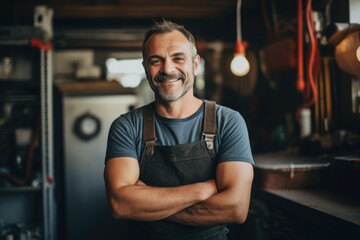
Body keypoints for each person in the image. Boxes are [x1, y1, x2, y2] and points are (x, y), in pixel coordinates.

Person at [104, 20, 254, 240]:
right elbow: (120, 204)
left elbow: (236, 208)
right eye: (156, 60)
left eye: (178, 58)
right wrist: (201, 190)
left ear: (195, 64)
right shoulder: (126, 127)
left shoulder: (228, 122)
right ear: (146, 67)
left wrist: (146, 205)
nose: (167, 69)